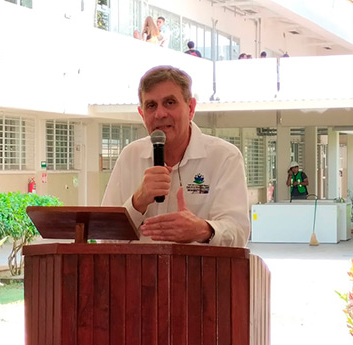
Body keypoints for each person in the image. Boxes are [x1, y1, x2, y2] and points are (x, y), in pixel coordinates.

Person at [101, 66, 249, 247]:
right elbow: (105, 238)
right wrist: (138, 201)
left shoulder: (224, 157)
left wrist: (202, 230)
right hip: (137, 273)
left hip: (201, 273)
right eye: (151, 105)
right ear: (142, 113)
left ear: (191, 108)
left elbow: (239, 234)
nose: (160, 114)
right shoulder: (130, 156)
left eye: (170, 102)